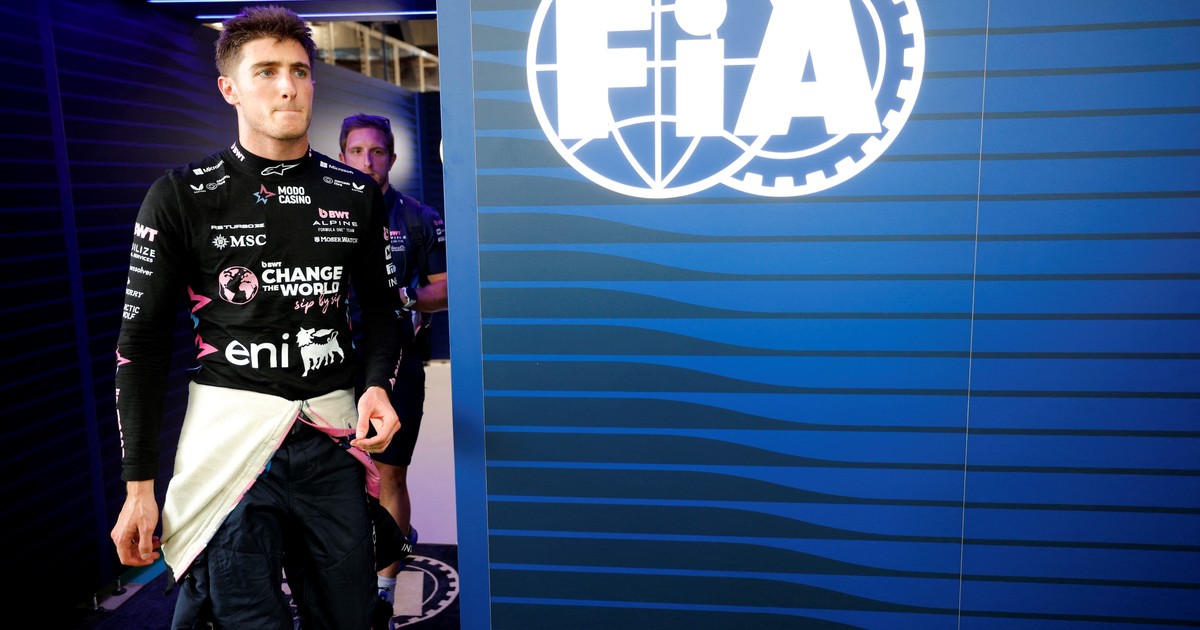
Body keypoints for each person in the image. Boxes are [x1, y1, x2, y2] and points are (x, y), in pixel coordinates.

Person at [108, 6, 408, 628]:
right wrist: (138, 488)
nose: (287, 87)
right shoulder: (181, 194)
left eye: (298, 71)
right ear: (230, 89)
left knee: (350, 617)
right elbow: (140, 345)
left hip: (331, 440)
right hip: (230, 443)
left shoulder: (355, 194)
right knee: (243, 619)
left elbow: (384, 311)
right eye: (266, 71)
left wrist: (377, 384)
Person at [338, 113, 448, 610]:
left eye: (377, 151)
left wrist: (402, 298)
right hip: (331, 369)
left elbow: (446, 289)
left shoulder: (419, 217)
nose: (368, 161)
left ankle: (384, 591)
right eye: (357, 151)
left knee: (389, 476)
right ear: (342, 156)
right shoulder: (320, 215)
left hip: (398, 364)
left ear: (392, 158)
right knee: (338, 483)